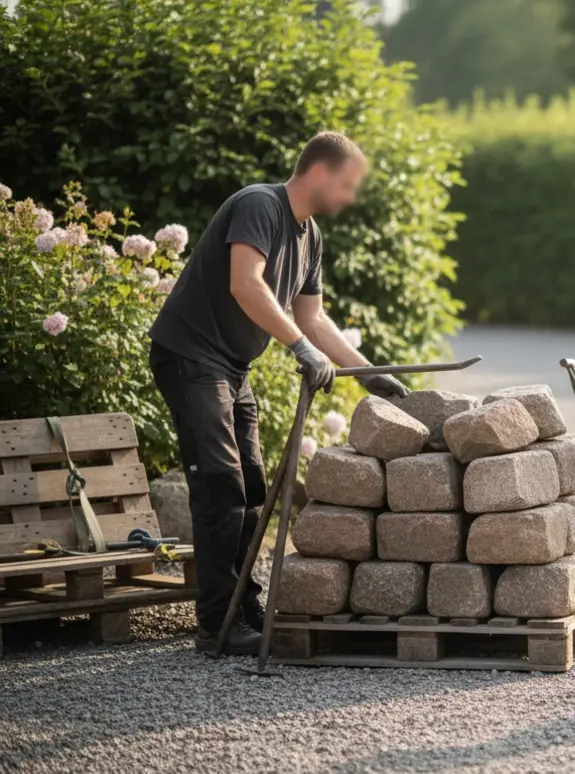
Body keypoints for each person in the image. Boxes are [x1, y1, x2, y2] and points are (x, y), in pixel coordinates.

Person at [148, 132, 410, 655]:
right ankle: (216, 625)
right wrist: (298, 348)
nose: (350, 197)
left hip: (231, 368)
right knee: (220, 483)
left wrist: (367, 371)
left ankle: (243, 607)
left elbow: (311, 317)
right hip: (190, 357)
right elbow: (247, 283)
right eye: (348, 184)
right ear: (318, 172)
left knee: (252, 488)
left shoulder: (310, 236)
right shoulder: (258, 205)